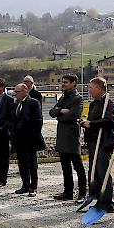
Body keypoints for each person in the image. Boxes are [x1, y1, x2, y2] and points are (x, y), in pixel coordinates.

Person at [79, 77, 114, 212]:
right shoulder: (94, 103)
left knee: (103, 172)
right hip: (93, 141)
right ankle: (98, 198)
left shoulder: (108, 103)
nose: (89, 90)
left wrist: (91, 124)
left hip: (103, 142)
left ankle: (107, 202)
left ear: (99, 89)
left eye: (91, 88)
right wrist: (86, 123)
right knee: (94, 172)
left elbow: (109, 121)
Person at [49, 73, 86, 201]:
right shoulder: (63, 97)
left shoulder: (77, 98)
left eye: (65, 82)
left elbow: (73, 115)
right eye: (62, 82)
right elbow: (51, 112)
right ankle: (68, 191)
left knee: (77, 165)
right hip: (62, 135)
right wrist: (61, 111)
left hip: (71, 135)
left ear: (73, 83)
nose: (63, 84)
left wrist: (59, 113)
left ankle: (82, 192)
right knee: (65, 166)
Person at [11, 83, 44, 197]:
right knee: (22, 163)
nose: (16, 94)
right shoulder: (16, 104)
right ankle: (25, 184)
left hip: (30, 139)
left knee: (32, 163)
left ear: (25, 91)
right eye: (15, 92)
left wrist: (33, 136)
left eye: (17, 92)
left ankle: (33, 186)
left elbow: (38, 121)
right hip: (19, 139)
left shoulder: (33, 103)